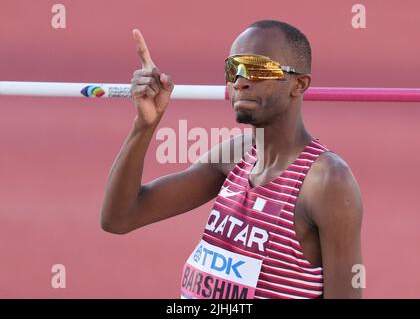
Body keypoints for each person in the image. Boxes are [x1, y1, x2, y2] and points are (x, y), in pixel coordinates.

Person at [100, 20, 363, 299]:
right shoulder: (235, 156)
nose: (240, 81)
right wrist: (145, 125)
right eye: (233, 68)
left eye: (257, 68)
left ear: (298, 84)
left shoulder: (326, 181)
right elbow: (120, 217)